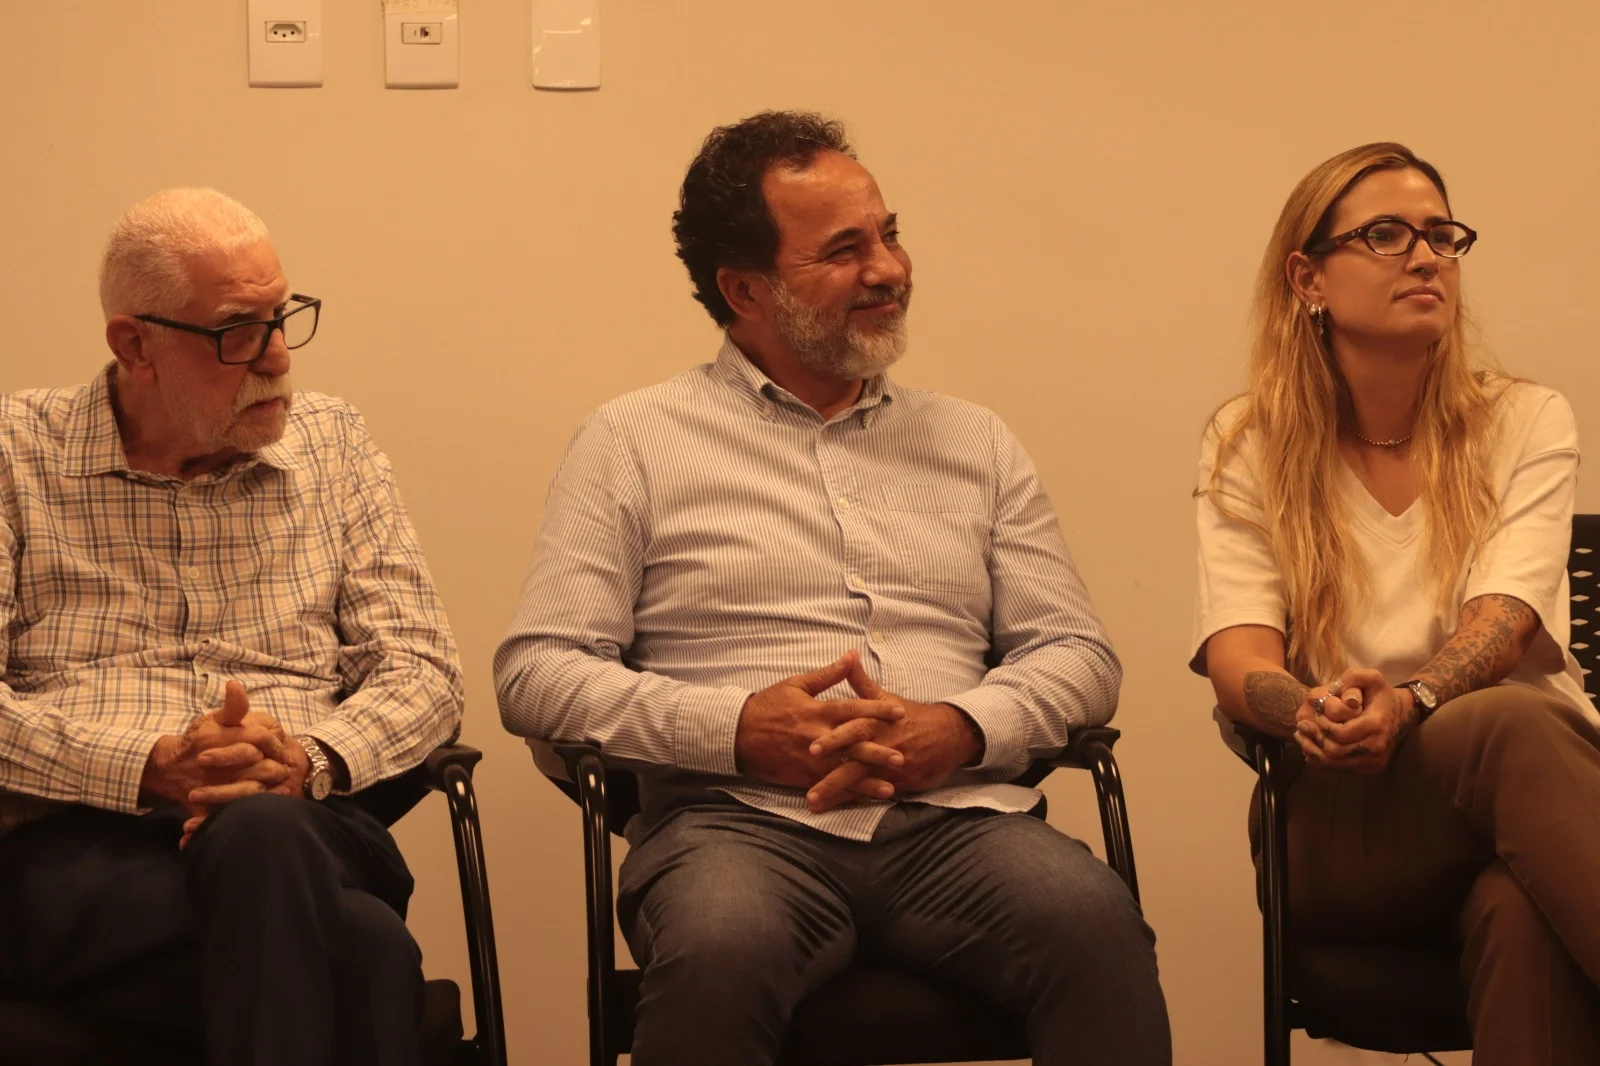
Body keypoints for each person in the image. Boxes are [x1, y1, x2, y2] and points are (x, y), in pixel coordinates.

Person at [496, 110, 1169, 1066]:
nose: (889, 269)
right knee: (722, 946)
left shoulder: (975, 443)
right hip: (735, 827)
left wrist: (962, 727)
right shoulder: (630, 442)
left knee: (1093, 925)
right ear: (744, 288)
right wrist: (736, 729)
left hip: (957, 823)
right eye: (845, 250)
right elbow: (538, 673)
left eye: (889, 234)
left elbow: (1079, 656)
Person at [0, 188, 464, 1066]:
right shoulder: (14, 453)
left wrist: (305, 760)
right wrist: (148, 765)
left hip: (310, 820)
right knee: (368, 952)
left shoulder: (334, 444)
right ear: (135, 345)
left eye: (282, 316)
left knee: (263, 831)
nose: (278, 356)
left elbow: (424, 671)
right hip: (81, 852)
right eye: (236, 331)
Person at [1193, 143, 1600, 1061]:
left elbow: (1504, 622)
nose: (1425, 257)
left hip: (1525, 807)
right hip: (1346, 828)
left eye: (1441, 236)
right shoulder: (1248, 440)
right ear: (1308, 279)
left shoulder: (1527, 420)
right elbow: (1238, 661)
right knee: (1508, 722)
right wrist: (1315, 712)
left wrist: (1411, 701)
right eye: (1386, 235)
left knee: (1517, 905)